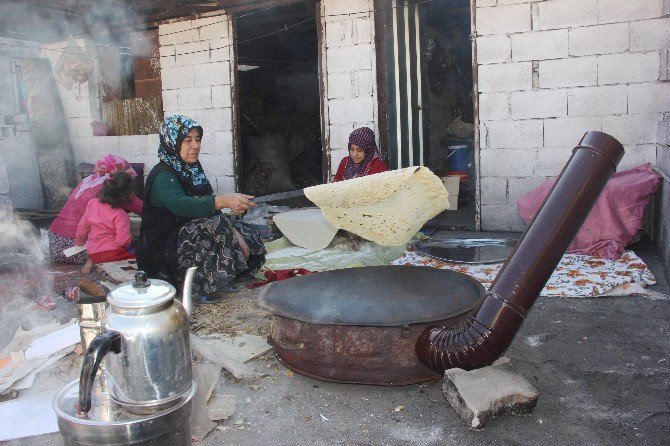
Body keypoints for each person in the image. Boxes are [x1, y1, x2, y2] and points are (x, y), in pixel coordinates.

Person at [136, 115, 266, 303]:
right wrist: (223, 201)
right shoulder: (163, 175)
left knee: (245, 232)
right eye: (187, 140)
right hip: (161, 250)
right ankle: (194, 287)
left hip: (186, 236)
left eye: (197, 139)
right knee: (212, 229)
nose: (195, 145)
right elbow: (182, 205)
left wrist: (234, 232)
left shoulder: (192, 170)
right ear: (172, 142)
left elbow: (207, 205)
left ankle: (225, 277)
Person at [48, 154, 142, 265]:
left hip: (55, 244)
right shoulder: (118, 188)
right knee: (136, 251)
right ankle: (93, 261)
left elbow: (82, 227)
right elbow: (144, 210)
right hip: (81, 250)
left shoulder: (87, 181)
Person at [75, 172, 136, 273]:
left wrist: (79, 241)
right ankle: (107, 265)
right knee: (134, 252)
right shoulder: (120, 215)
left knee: (99, 252)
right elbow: (122, 242)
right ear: (125, 196)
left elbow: (82, 227)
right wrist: (129, 238)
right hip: (112, 253)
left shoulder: (92, 203)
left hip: (93, 252)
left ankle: (92, 262)